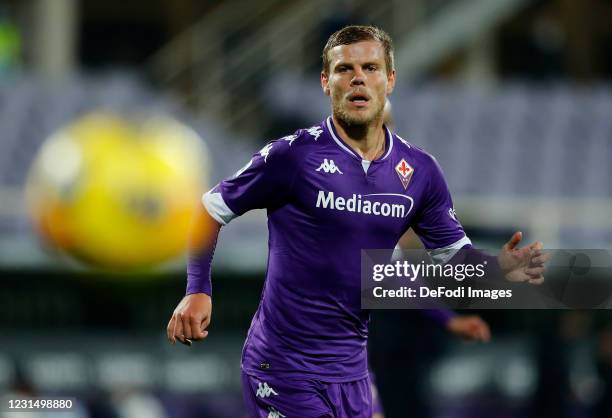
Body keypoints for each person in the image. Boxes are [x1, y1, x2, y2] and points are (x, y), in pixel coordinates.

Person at [167, 25, 548, 417]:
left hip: (353, 375)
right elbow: (209, 209)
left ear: (391, 79)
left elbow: (449, 259)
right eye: (344, 69)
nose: (358, 78)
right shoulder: (292, 157)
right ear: (325, 82)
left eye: (370, 67)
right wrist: (198, 290)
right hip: (283, 368)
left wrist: (497, 270)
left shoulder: (420, 172)